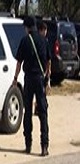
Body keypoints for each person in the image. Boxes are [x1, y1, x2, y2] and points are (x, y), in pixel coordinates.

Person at [12, 16, 51, 156]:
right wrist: (47, 77)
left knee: (27, 111)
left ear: (27, 27)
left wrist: (15, 78)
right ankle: (44, 146)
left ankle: (28, 144)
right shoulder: (43, 40)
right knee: (43, 112)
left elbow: (19, 63)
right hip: (40, 79)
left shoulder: (24, 41)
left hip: (28, 79)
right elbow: (48, 61)